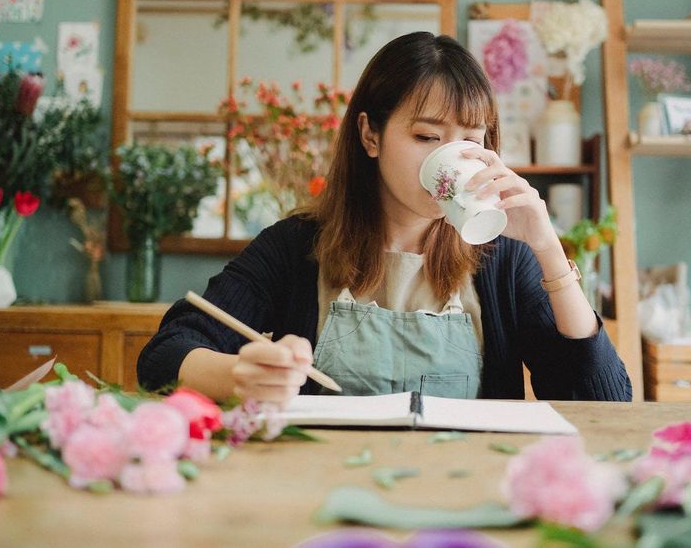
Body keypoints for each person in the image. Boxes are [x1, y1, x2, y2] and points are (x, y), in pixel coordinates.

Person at [138, 32, 632, 404]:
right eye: (426, 137)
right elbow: (165, 354)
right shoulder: (296, 247)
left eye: (471, 141)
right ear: (370, 136)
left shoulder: (503, 261)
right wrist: (240, 376)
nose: (454, 159)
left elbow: (603, 404)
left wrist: (547, 250)